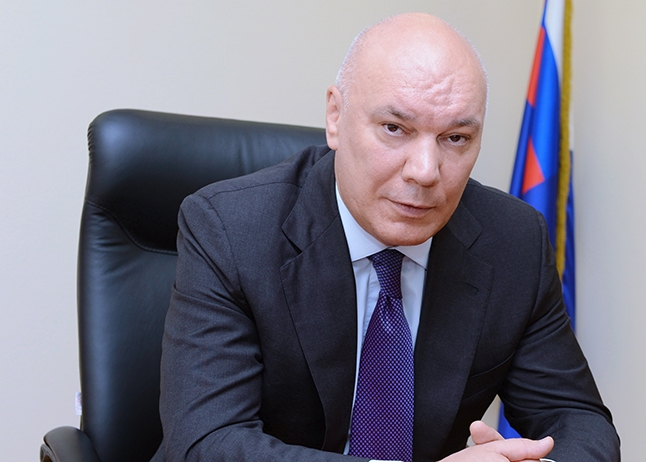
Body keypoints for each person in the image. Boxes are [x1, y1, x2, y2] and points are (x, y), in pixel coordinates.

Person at [152, 12, 619, 462]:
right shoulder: (230, 229)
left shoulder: (513, 240)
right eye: (395, 129)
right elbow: (207, 444)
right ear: (335, 116)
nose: (425, 171)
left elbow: (578, 420)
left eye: (456, 138)